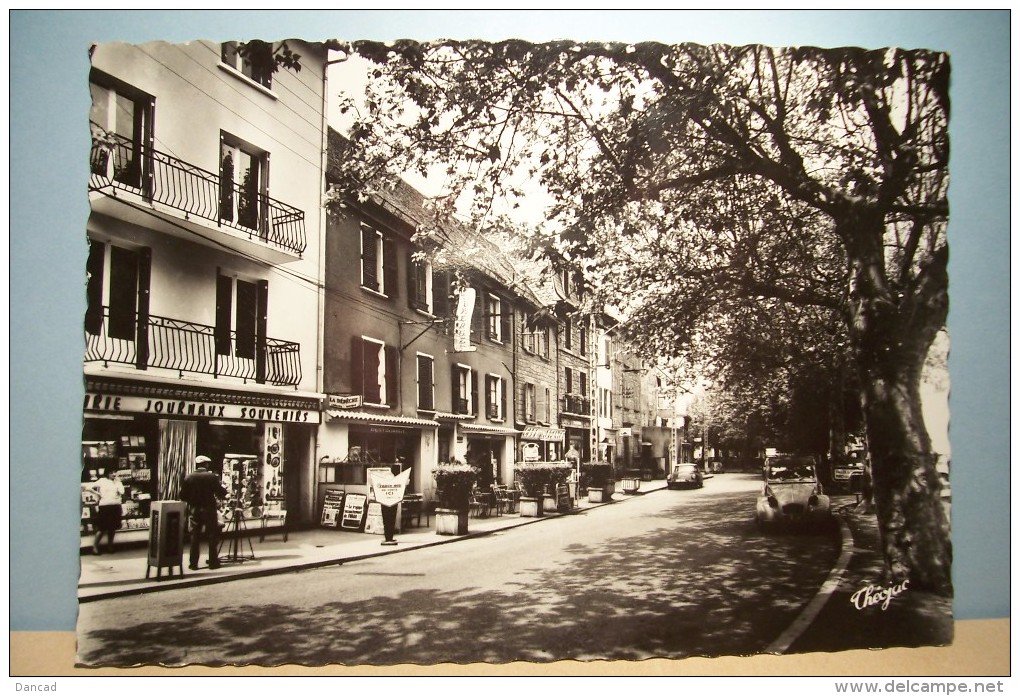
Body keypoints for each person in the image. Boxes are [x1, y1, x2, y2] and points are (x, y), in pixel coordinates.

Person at [180, 455, 228, 571]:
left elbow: (182, 496)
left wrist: (192, 500)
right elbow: (221, 492)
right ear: (206, 464)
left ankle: (193, 564)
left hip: (195, 510)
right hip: (209, 509)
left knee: (195, 536)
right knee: (212, 535)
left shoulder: (189, 477)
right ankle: (213, 562)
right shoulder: (212, 477)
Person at [91, 468, 125, 555]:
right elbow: (88, 487)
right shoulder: (102, 481)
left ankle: (110, 546)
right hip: (105, 507)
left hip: (116, 506)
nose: (113, 474)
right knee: (102, 528)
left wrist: (117, 483)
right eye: (111, 472)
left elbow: (122, 492)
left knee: (112, 528)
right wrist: (98, 494)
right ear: (107, 473)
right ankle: (95, 547)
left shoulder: (118, 482)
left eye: (114, 472)